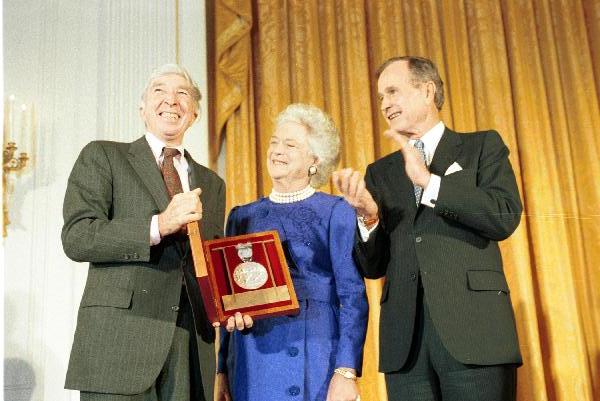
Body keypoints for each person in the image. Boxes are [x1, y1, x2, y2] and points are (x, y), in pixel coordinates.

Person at [333, 56, 523, 401]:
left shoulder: (482, 147)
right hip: (406, 346)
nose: (385, 103)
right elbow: (373, 266)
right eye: (380, 97)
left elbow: (503, 215)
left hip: (475, 334)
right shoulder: (380, 172)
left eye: (393, 91)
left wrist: (430, 183)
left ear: (427, 90)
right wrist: (368, 217)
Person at [62, 64, 251, 401]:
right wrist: (159, 225)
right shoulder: (104, 155)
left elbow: (211, 261)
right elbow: (78, 236)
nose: (171, 100)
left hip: (190, 345)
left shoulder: (212, 183)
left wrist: (238, 300)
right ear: (143, 109)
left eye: (183, 94)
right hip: (119, 343)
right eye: (160, 91)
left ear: (193, 114)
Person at [215, 103, 368, 401]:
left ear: (315, 159)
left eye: (290, 144)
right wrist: (222, 369)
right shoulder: (241, 215)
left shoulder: (336, 210)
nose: (277, 150)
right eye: (274, 142)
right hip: (252, 355)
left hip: (315, 350)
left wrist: (346, 370)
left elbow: (352, 295)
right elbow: (228, 301)